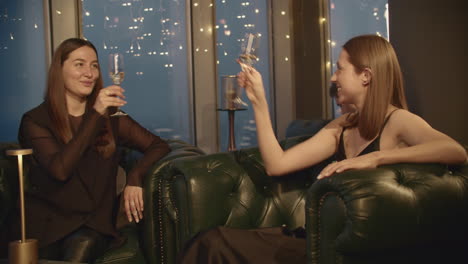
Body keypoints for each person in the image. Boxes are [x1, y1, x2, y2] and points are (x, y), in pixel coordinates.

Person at [177, 35, 467, 263]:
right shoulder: (342, 127)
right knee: (211, 242)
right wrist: (259, 103)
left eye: (339, 69)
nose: (333, 77)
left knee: (213, 245)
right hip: (316, 241)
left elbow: (454, 150)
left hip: (356, 252)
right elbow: (277, 164)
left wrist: (376, 158)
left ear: (365, 76)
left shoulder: (399, 121)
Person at [9, 38, 171, 262]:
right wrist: (95, 114)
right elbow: (60, 170)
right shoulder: (35, 121)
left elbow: (159, 145)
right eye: (79, 64)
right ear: (59, 70)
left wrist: (135, 176)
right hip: (47, 222)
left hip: (92, 223)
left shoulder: (111, 118)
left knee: (84, 243)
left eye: (94, 65)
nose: (89, 73)